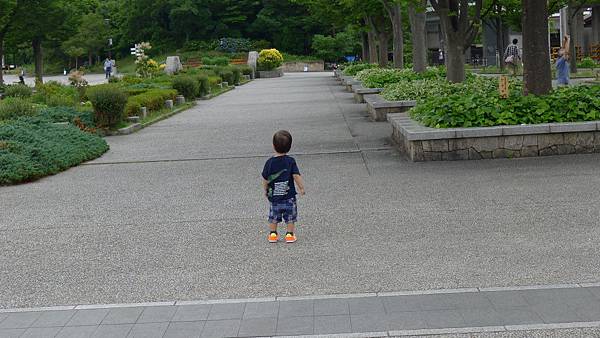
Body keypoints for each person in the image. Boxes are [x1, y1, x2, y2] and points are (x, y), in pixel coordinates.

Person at [262, 130, 305, 244]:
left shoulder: (269, 162)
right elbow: (296, 175)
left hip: (274, 197)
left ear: (273, 146)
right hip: (289, 196)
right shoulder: (290, 161)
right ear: (289, 147)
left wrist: (265, 190)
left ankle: (273, 234)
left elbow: (265, 178)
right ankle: (289, 235)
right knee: (290, 217)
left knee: (273, 216)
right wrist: (301, 187)